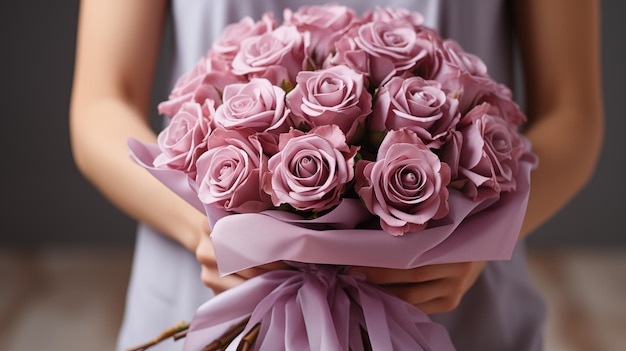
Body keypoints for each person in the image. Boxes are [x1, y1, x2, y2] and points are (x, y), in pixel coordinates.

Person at [69, 0, 604, 350]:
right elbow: (99, 103)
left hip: (454, 307)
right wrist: (205, 231)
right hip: (206, 294)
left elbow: (573, 113)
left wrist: (482, 235)